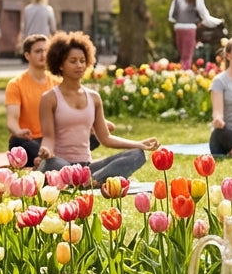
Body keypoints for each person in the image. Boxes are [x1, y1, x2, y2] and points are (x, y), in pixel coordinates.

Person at [37, 31, 158, 183]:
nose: (79, 65)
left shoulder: (94, 98)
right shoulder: (49, 98)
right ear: (60, 64)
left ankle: (92, 180)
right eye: (73, 61)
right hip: (60, 165)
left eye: (82, 60)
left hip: (87, 168)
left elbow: (106, 138)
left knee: (137, 155)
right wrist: (46, 151)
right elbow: (48, 137)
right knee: (51, 164)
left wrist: (139, 144)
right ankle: (95, 181)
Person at [167, 0, 223, 69]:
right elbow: (204, 13)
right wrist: (215, 22)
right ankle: (185, 76)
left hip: (178, 27)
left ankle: (182, 73)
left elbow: (171, 15)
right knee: (187, 56)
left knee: (182, 55)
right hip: (190, 27)